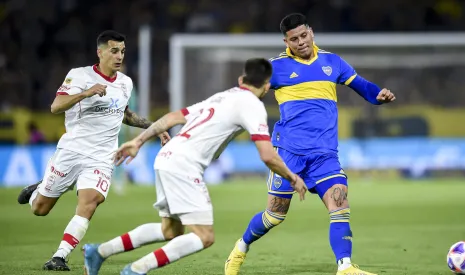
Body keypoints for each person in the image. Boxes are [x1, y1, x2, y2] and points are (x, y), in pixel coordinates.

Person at [82, 58, 308, 275]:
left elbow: (173, 117)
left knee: (169, 230)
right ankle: (137, 269)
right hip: (184, 165)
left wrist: (138, 141)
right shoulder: (253, 105)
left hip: (166, 157)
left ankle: (99, 251)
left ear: (241, 80)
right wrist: (292, 177)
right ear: (267, 86)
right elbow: (267, 155)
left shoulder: (221, 97)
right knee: (204, 236)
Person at [225, 13, 396, 275]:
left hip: (325, 154)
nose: (301, 42)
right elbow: (247, 94)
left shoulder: (332, 62)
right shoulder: (275, 67)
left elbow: (362, 86)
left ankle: (345, 267)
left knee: (339, 204)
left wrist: (379, 95)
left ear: (311, 32)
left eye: (304, 36)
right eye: (294, 39)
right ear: (286, 41)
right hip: (288, 154)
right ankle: (240, 248)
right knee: (274, 216)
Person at [16, 30, 169, 271]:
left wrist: (155, 127)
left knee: (90, 201)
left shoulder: (125, 83)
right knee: (39, 209)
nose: (119, 56)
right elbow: (56, 106)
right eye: (114, 51)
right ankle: (39, 187)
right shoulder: (79, 76)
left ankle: (60, 256)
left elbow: (125, 115)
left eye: (122, 51)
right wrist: (86, 93)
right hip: (72, 151)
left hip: (102, 156)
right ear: (100, 52)